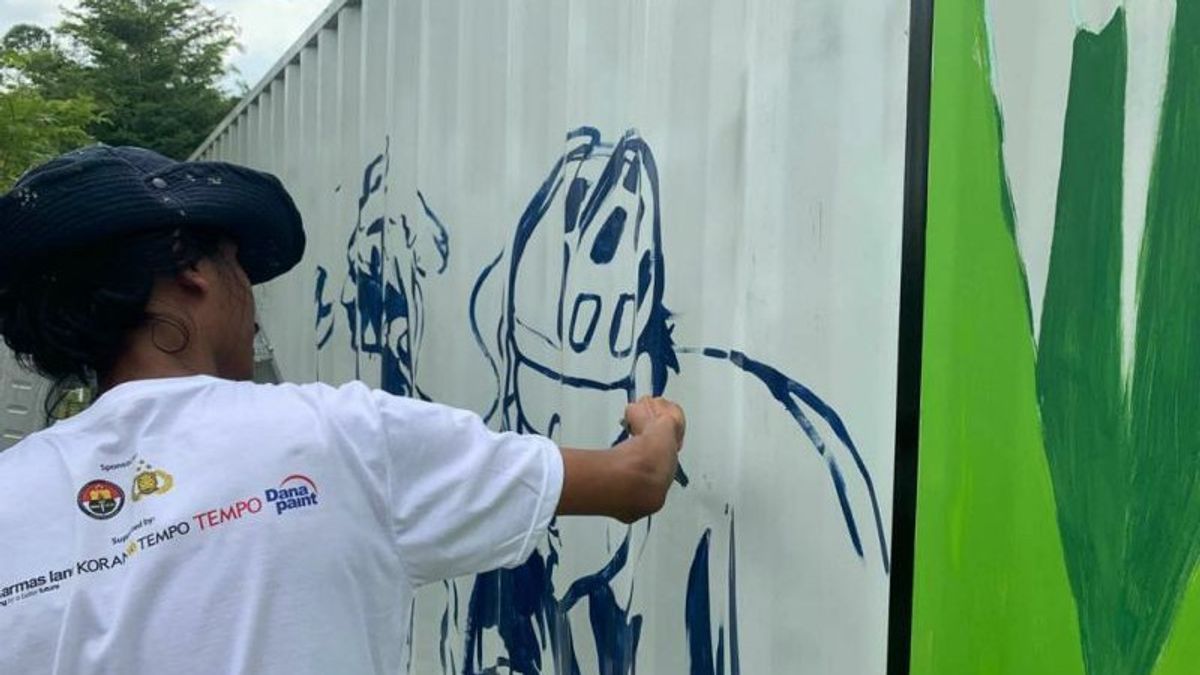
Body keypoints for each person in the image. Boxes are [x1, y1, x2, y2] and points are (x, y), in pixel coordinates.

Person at [0, 145, 685, 674]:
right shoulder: (339, 437)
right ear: (192, 270)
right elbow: (635, 481)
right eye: (240, 264)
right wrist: (658, 422)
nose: (253, 302)